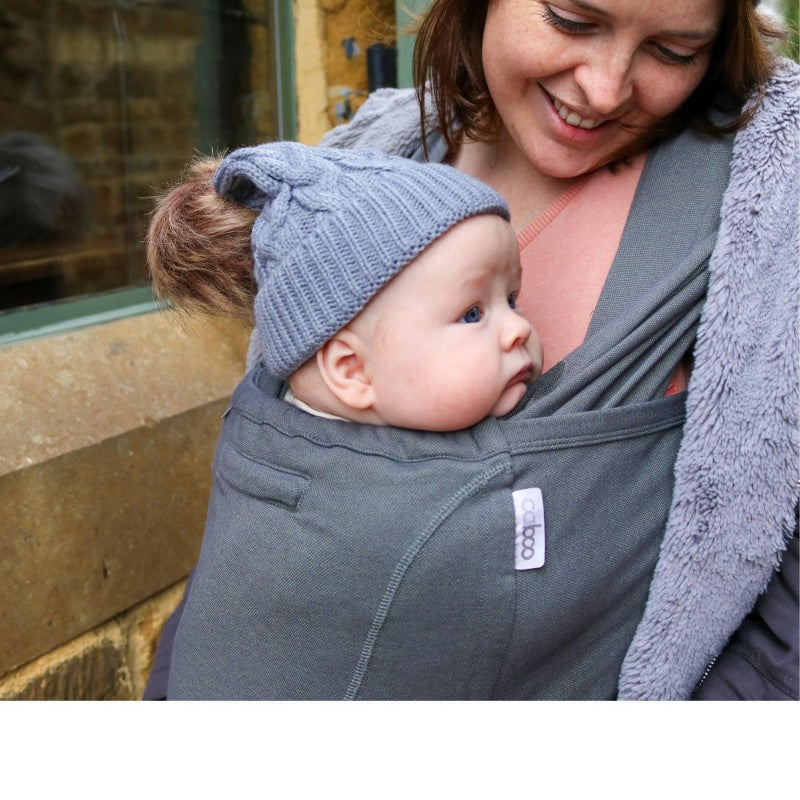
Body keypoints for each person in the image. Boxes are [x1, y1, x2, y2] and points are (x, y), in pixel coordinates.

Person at [145, 0, 798, 700]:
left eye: (674, 51)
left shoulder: (769, 202)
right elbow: (263, 531)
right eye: (571, 21)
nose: (605, 89)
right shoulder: (369, 160)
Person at [148, 142, 547, 699]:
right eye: (473, 313)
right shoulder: (360, 514)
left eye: (514, 297)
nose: (518, 329)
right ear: (353, 370)